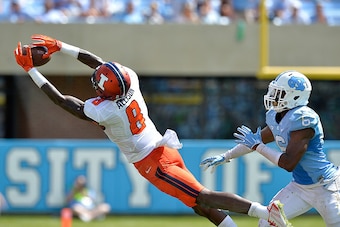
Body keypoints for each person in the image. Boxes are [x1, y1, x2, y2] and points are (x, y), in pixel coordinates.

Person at [14, 34, 291, 227]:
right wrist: (60, 46)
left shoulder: (106, 111)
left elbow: (63, 101)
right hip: (164, 147)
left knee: (202, 196)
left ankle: (265, 213)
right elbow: (99, 62)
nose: (96, 79)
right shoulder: (129, 79)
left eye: (99, 82)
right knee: (198, 204)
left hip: (153, 163)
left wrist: (31, 70)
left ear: (106, 92)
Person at [200, 70, 340, 227]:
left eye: (279, 93)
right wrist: (226, 156)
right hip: (300, 187)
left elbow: (288, 163)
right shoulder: (276, 116)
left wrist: (258, 147)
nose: (273, 96)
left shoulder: (303, 119)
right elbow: (256, 140)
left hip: (327, 187)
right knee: (267, 222)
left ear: (294, 96)